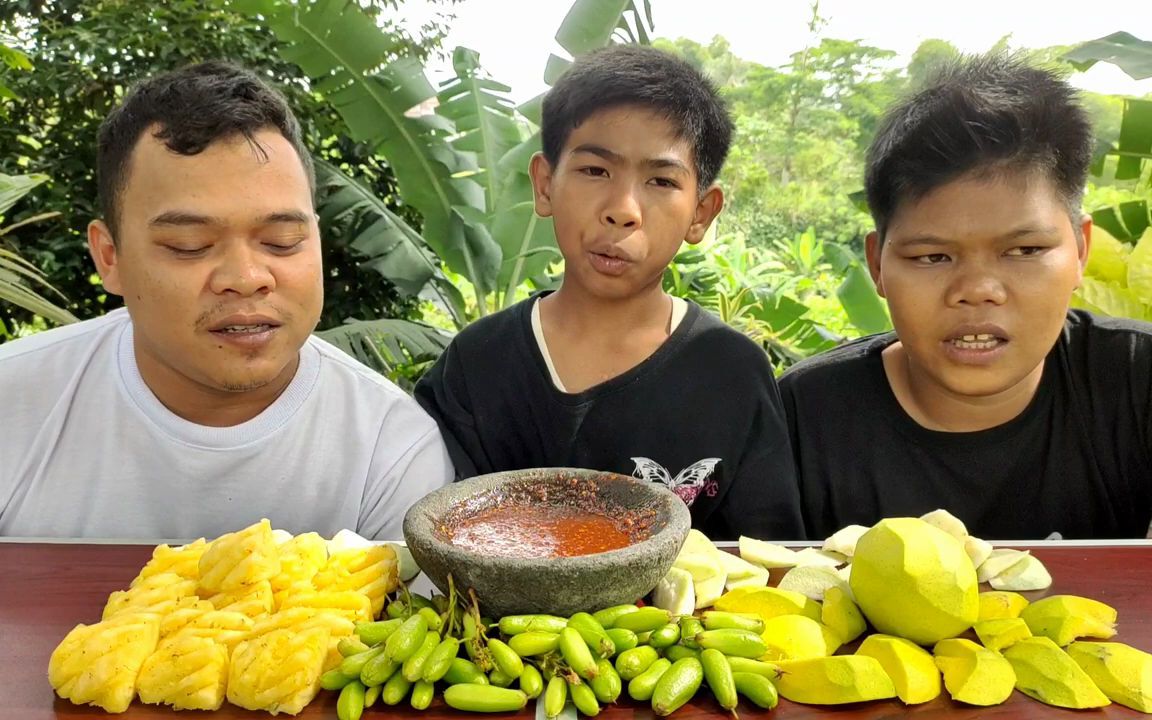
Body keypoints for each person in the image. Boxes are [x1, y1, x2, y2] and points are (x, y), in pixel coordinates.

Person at [0, 62, 453, 540]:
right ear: (110, 256)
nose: (246, 278)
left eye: (281, 241)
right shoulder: (13, 403)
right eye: (189, 246)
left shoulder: (393, 449)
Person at [415, 45, 804, 540]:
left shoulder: (730, 372)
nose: (623, 209)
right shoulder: (476, 363)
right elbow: (431, 539)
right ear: (544, 184)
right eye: (595, 170)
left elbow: (764, 560)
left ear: (701, 212)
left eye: (661, 180)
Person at [779, 53, 1152, 540]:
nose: (977, 290)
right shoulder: (803, 419)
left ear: (1080, 249)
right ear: (877, 265)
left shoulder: (1135, 380)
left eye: (1024, 249)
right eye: (933, 257)